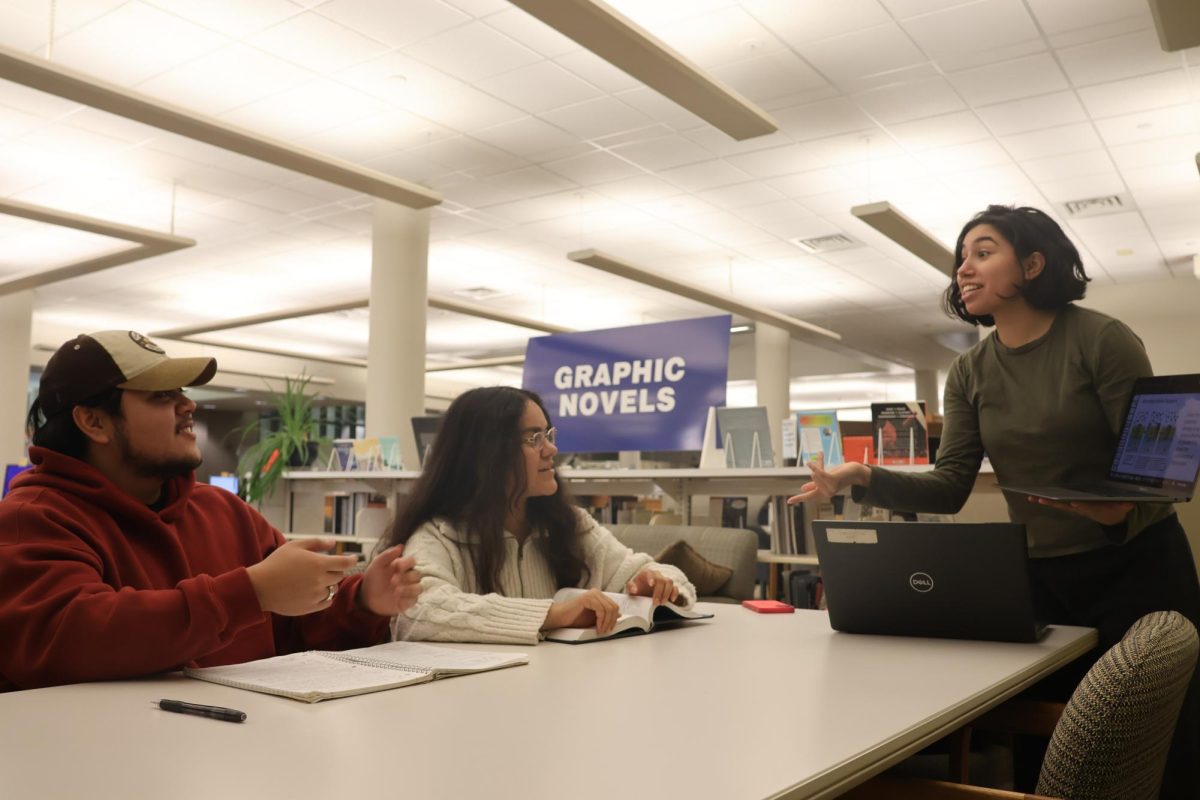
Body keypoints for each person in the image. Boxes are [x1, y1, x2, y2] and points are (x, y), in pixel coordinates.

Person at [790, 205, 1200, 798]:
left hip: (1136, 567)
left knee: (1158, 749)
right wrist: (862, 476)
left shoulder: (1101, 340)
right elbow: (951, 486)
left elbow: (1148, 466)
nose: (964, 268)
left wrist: (1125, 508)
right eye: (962, 257)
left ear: (1033, 264)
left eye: (983, 252)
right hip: (1040, 580)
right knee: (1049, 754)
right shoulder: (969, 371)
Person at [0, 330, 421, 692]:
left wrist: (362, 601)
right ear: (94, 422)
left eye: (183, 392)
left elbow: (294, 626)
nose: (188, 406)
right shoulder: (32, 519)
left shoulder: (223, 510)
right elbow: (71, 639)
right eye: (162, 396)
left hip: (234, 760)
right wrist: (248, 594)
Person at [383, 386, 696, 645]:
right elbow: (418, 612)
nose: (551, 450)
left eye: (548, 434)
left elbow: (652, 572)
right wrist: (555, 614)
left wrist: (658, 584)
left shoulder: (569, 524)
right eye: (533, 439)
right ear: (485, 454)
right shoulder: (437, 535)